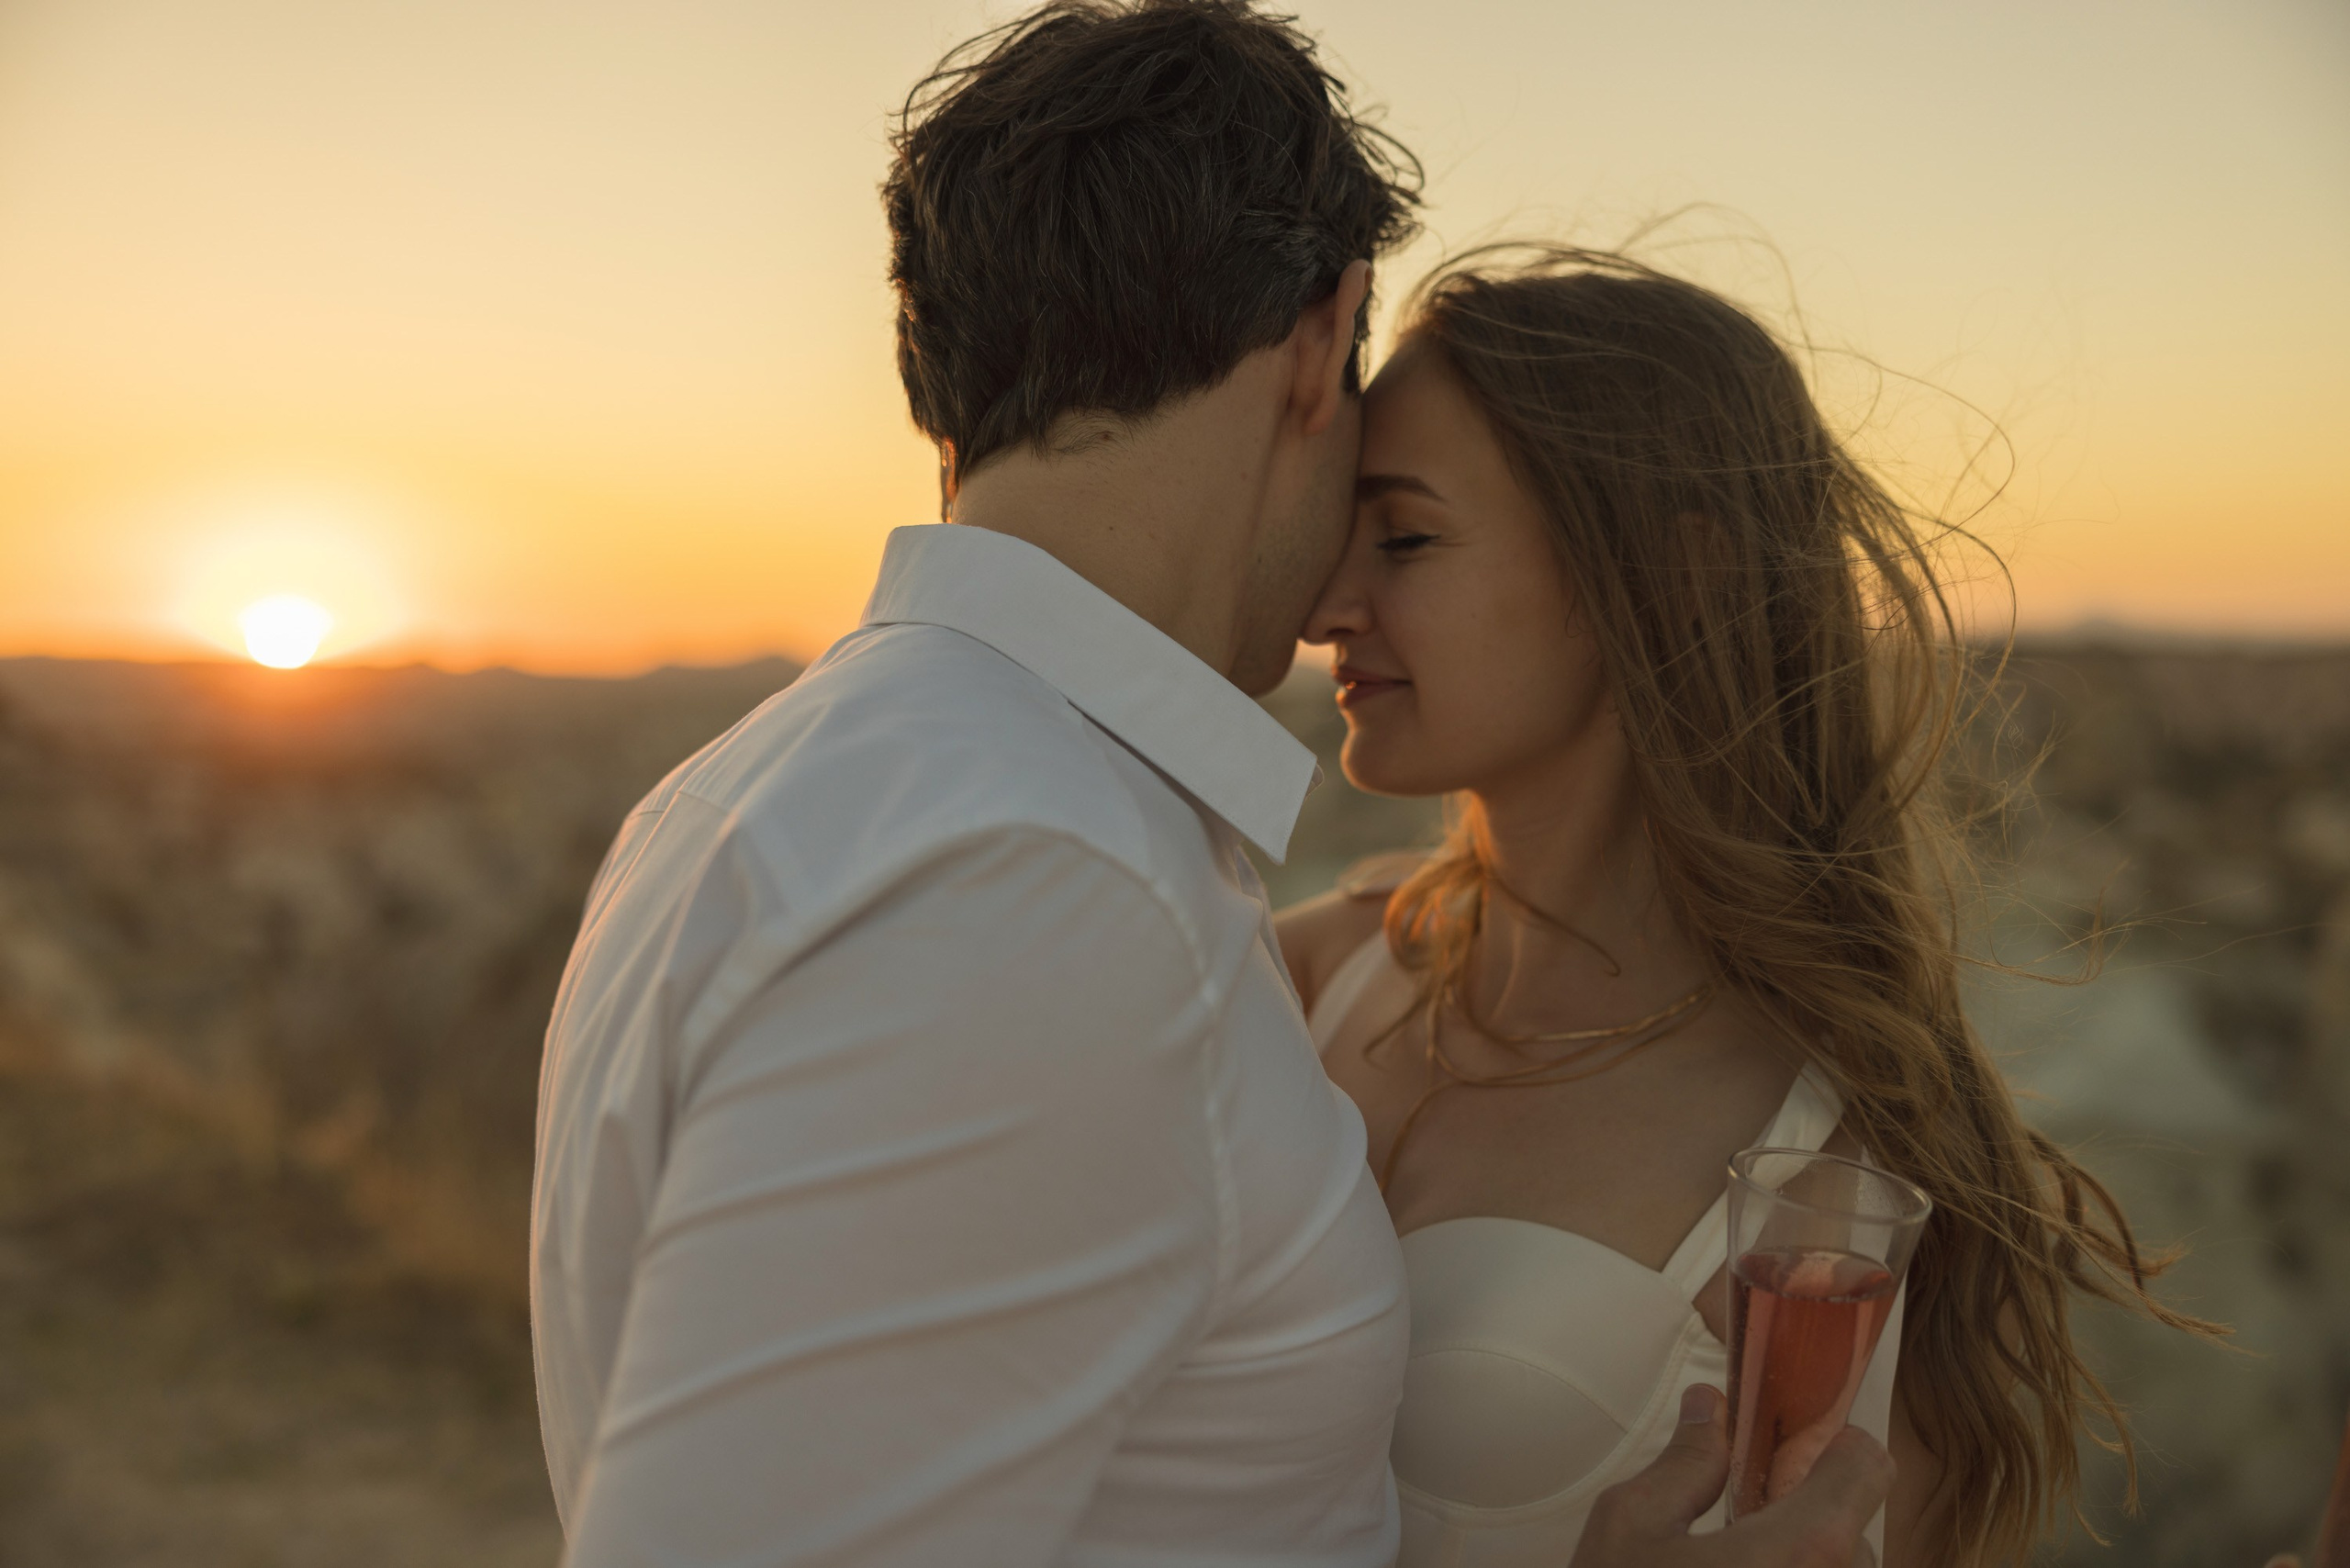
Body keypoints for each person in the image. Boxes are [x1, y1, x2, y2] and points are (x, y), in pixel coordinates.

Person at [531, 3, 1897, 1563]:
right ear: (1323, 336)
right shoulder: (1032, 879)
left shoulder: (763, 798)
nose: (1335, 603)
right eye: (1370, 513)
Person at [1276, 248, 2222, 1567]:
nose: (1326, 605)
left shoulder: (1836, 1182)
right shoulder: (1299, 974)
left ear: (1676, 577)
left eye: (1409, 536)